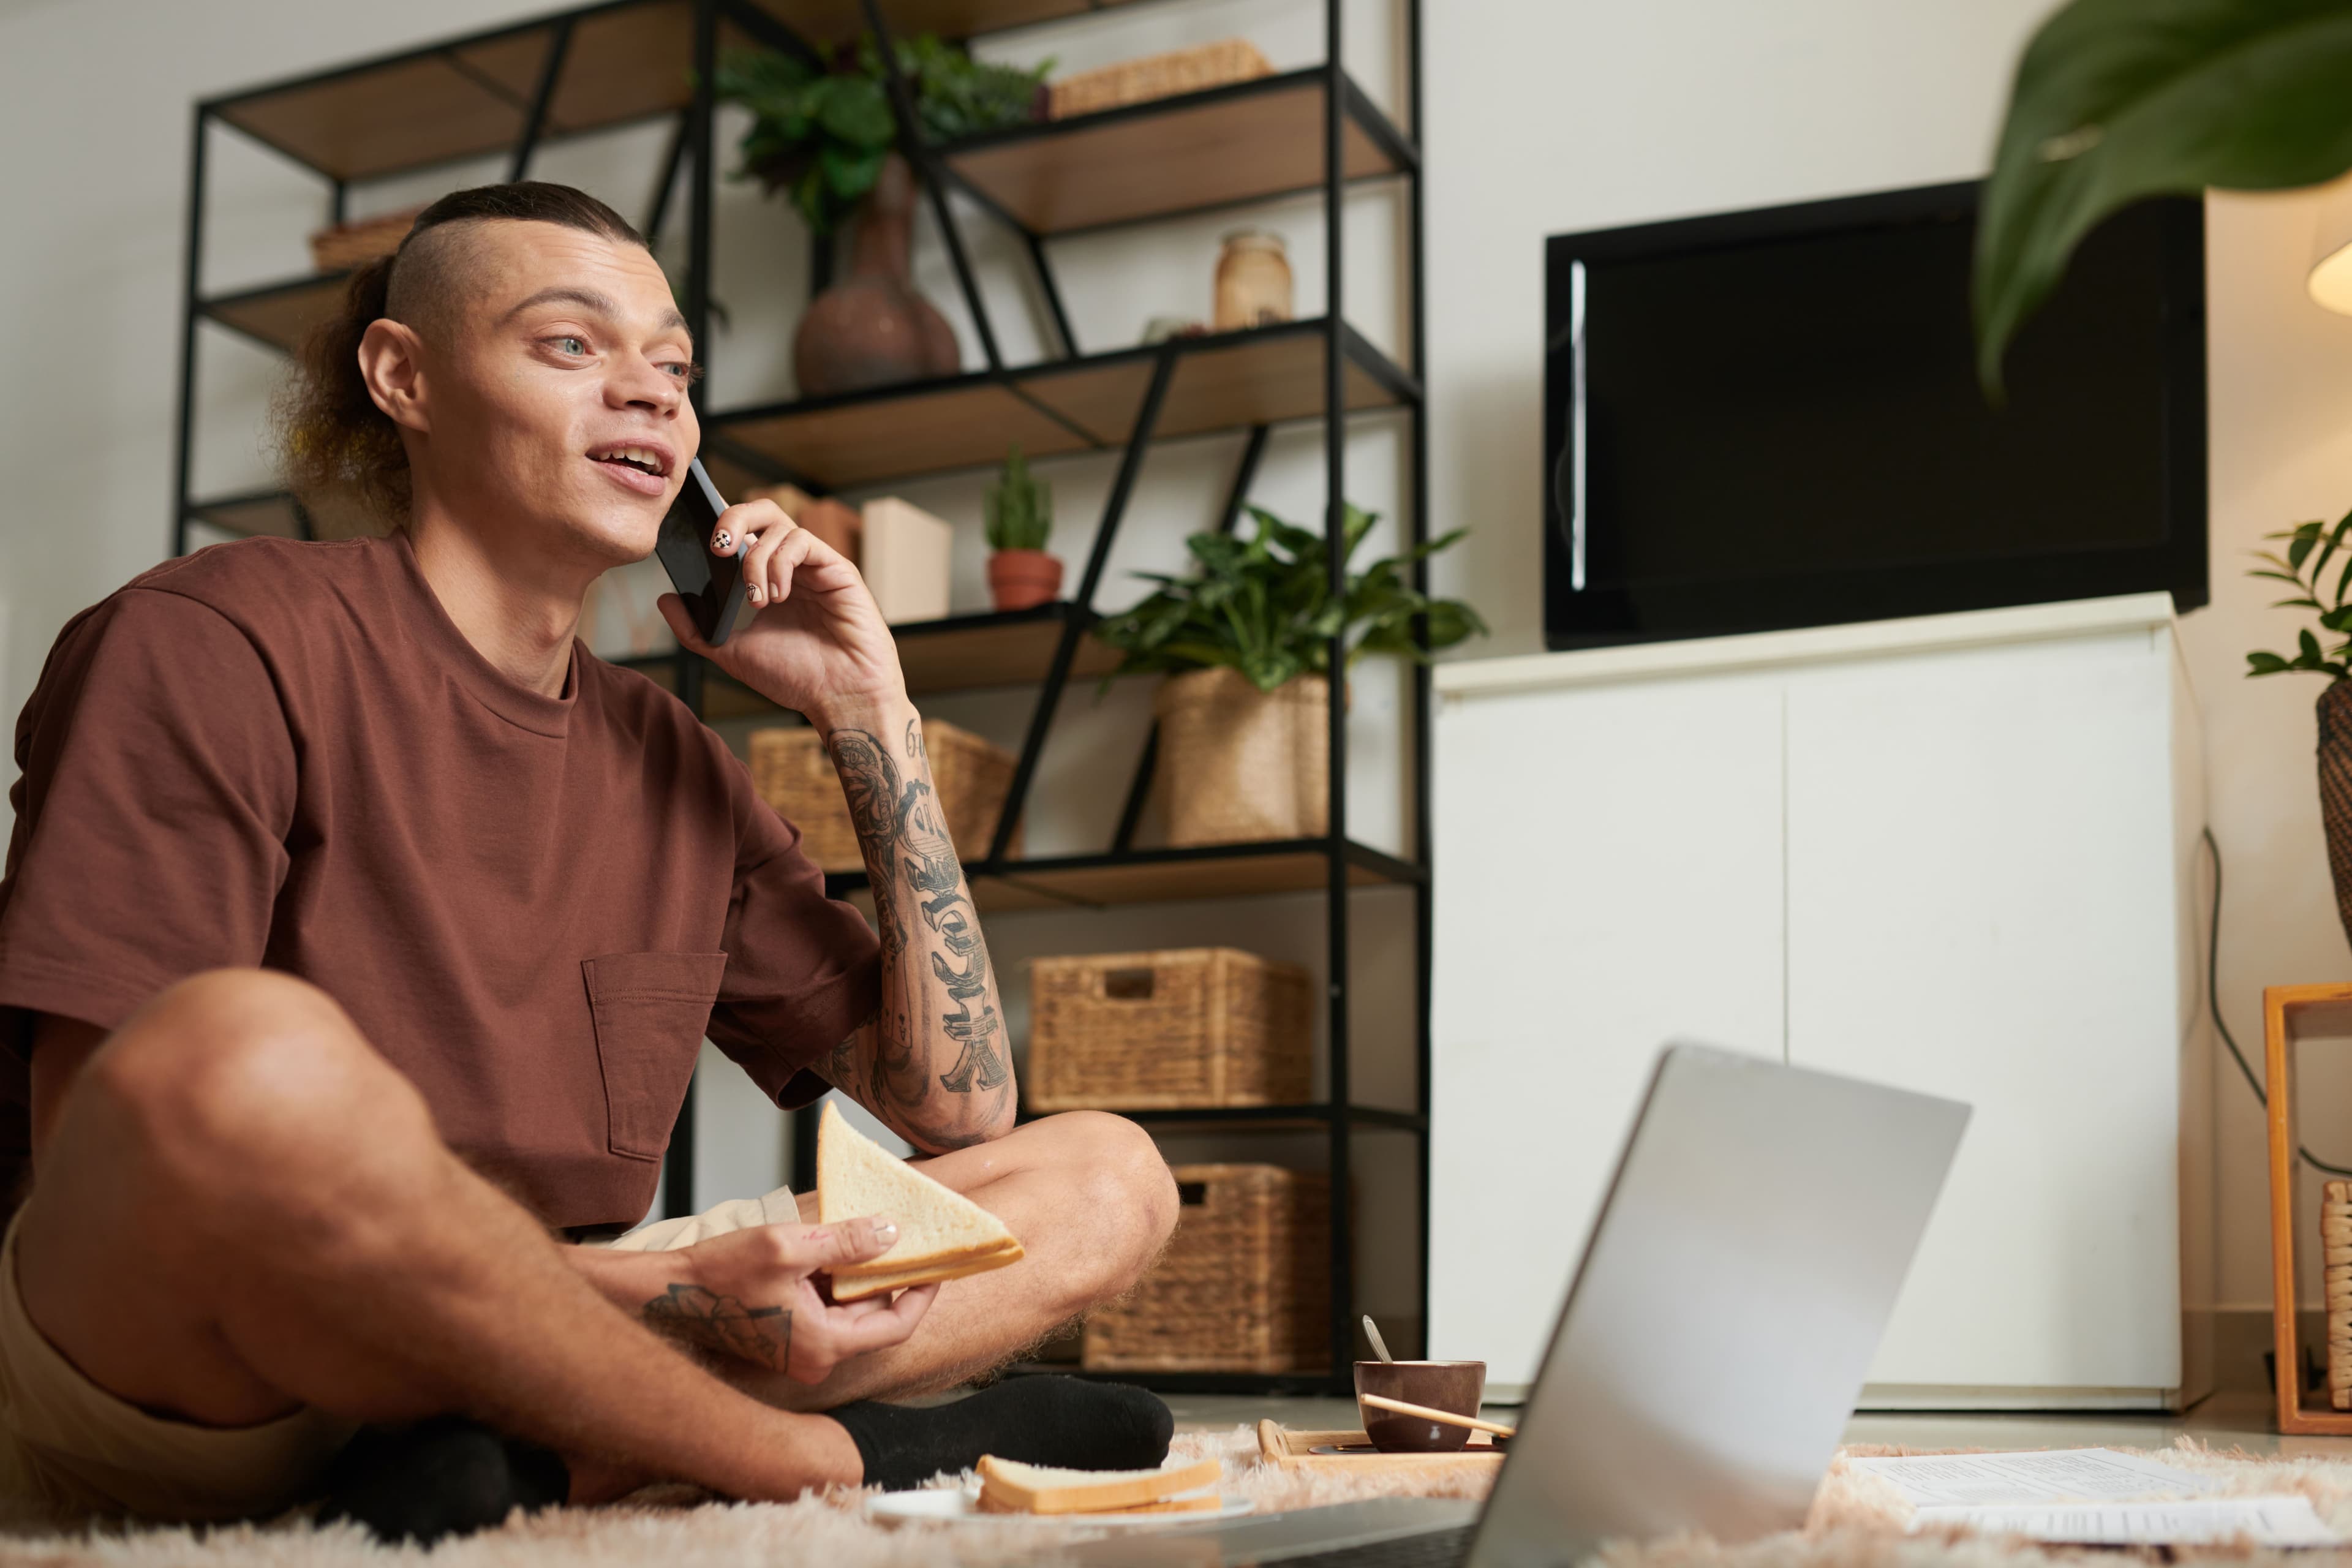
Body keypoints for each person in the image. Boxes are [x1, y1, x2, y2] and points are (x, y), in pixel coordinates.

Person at [0, 182, 1180, 1539]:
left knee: (1107, 1174)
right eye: (572, 346)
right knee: (239, 1047)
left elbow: (957, 1117)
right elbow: (129, 1137)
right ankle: (820, 1458)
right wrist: (665, 1297)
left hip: (550, 1324)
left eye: (673, 367)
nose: (652, 400)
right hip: (213, 1346)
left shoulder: (673, 756)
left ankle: (539, 1447)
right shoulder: (210, 639)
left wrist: (874, 718)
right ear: (406, 378)